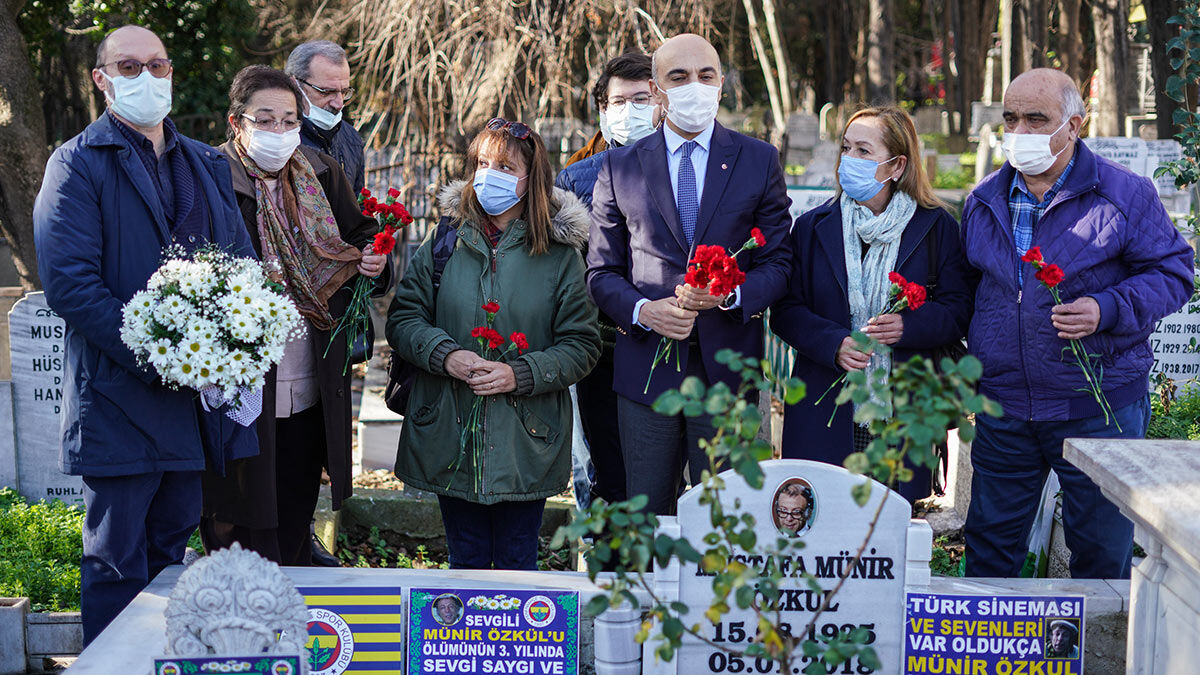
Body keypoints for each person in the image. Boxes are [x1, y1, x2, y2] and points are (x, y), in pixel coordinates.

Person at [32, 25, 258, 644]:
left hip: (190, 408)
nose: (147, 77)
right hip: (117, 397)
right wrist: (162, 356)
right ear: (101, 80)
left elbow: (240, 269)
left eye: (157, 65)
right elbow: (72, 286)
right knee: (115, 559)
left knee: (170, 554)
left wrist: (228, 351)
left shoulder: (206, 163)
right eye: (128, 66)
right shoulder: (77, 162)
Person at [960, 68, 1194, 579]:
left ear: (1074, 126)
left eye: (1036, 119)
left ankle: (1092, 659)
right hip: (1005, 406)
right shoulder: (983, 200)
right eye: (1011, 118)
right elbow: (968, 291)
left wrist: (1105, 309)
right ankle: (991, 658)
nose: (1019, 132)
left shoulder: (1125, 194)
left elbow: (1175, 273)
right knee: (988, 554)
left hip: (1098, 405)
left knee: (1100, 559)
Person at [587, 33, 792, 517]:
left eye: (705, 75)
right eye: (678, 77)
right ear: (657, 90)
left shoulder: (758, 160)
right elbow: (601, 271)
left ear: (721, 84)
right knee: (647, 518)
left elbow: (780, 264)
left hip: (728, 372)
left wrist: (729, 295)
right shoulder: (619, 166)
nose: (693, 86)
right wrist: (644, 310)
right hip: (645, 375)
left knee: (725, 520)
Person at [387, 118, 600, 570]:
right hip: (450, 429)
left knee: (517, 561)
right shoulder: (447, 238)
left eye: (504, 166)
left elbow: (582, 344)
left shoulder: (561, 254)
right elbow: (405, 318)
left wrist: (518, 373)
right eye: (482, 163)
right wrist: (447, 355)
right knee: (465, 557)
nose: (489, 175)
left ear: (531, 176)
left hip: (527, 436)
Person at [199, 65, 387, 566]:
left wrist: (372, 257)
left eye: (290, 121)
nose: (280, 132)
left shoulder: (321, 171)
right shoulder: (209, 174)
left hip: (309, 366)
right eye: (266, 119)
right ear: (237, 122)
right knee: (240, 506)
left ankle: (299, 624)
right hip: (241, 376)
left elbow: (362, 232)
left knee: (298, 496)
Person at [769, 106, 971, 503]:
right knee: (819, 522)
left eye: (864, 151)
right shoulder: (813, 227)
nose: (850, 160)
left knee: (889, 528)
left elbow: (959, 307)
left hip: (903, 407)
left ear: (896, 165)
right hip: (824, 402)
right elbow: (786, 310)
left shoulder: (935, 227)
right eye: (846, 148)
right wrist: (833, 343)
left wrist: (908, 327)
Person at [555, 52, 661, 511]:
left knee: (658, 471)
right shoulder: (576, 179)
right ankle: (599, 559)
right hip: (597, 347)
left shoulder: (681, 171)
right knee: (598, 467)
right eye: (619, 101)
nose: (631, 111)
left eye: (642, 99)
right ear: (602, 109)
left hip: (664, 340)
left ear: (661, 104)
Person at [286, 40, 365, 194]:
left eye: (344, 92)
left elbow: (358, 208)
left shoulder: (352, 139)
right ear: (295, 85)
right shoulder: (277, 138)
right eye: (327, 92)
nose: (339, 103)